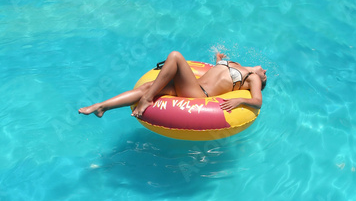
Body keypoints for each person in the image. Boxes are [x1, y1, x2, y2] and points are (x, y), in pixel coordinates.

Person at [78, 51, 267, 119]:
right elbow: (218, 74)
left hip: (199, 94)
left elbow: (257, 101)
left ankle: (147, 99)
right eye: (264, 72)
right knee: (147, 85)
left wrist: (239, 101)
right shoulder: (237, 65)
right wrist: (218, 59)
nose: (264, 72)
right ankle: (101, 107)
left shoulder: (252, 77)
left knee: (175, 56)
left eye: (265, 76)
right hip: (191, 86)